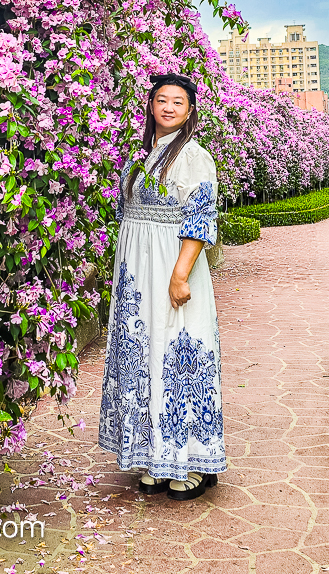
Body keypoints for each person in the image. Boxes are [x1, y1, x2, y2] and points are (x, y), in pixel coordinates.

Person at [98, 73, 225, 500]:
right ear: (150, 106)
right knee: (145, 352)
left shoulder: (194, 157)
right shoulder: (141, 156)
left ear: (190, 112)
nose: (169, 107)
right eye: (161, 100)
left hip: (173, 264)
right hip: (137, 270)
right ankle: (154, 456)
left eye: (178, 102)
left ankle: (191, 463)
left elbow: (200, 219)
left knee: (178, 351)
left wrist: (180, 273)